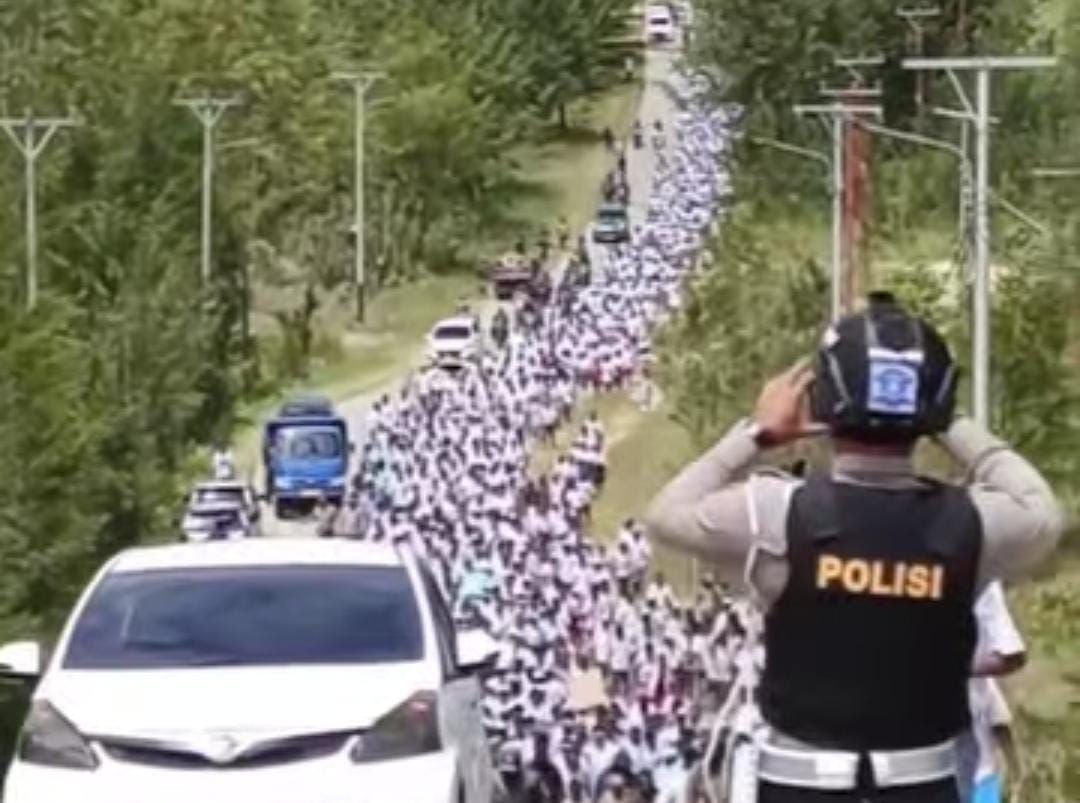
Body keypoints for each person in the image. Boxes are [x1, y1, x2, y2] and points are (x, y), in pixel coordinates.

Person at [645, 292, 1064, 803]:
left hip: (797, 782)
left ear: (824, 400)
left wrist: (757, 434)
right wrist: (947, 420)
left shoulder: (775, 514)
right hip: (925, 783)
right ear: (936, 398)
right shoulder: (971, 524)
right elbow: (1042, 509)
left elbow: (667, 515)